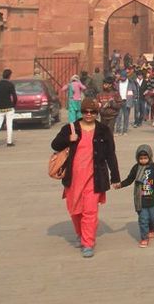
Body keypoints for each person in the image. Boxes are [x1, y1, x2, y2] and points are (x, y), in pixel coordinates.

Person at [50, 98, 120, 258]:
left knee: (90, 211)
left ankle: (88, 243)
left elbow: (110, 154)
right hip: (73, 179)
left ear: (97, 113)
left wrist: (115, 177)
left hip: (95, 178)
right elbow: (55, 145)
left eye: (92, 112)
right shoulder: (70, 128)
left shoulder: (103, 130)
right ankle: (80, 233)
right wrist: (68, 139)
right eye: (85, 111)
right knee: (75, 210)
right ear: (81, 112)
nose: (89, 114)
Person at [113, 144, 154, 248]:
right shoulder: (136, 168)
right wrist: (120, 185)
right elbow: (129, 179)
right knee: (143, 219)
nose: (143, 160)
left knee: (153, 218)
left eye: (145, 158)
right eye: (141, 158)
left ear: (149, 156)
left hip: (152, 199)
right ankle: (144, 238)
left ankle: (152, 228)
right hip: (140, 200)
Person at [0, 68, 19, 147]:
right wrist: (13, 105)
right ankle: (9, 141)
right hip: (9, 107)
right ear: (9, 76)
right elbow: (14, 96)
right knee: (9, 124)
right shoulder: (10, 84)